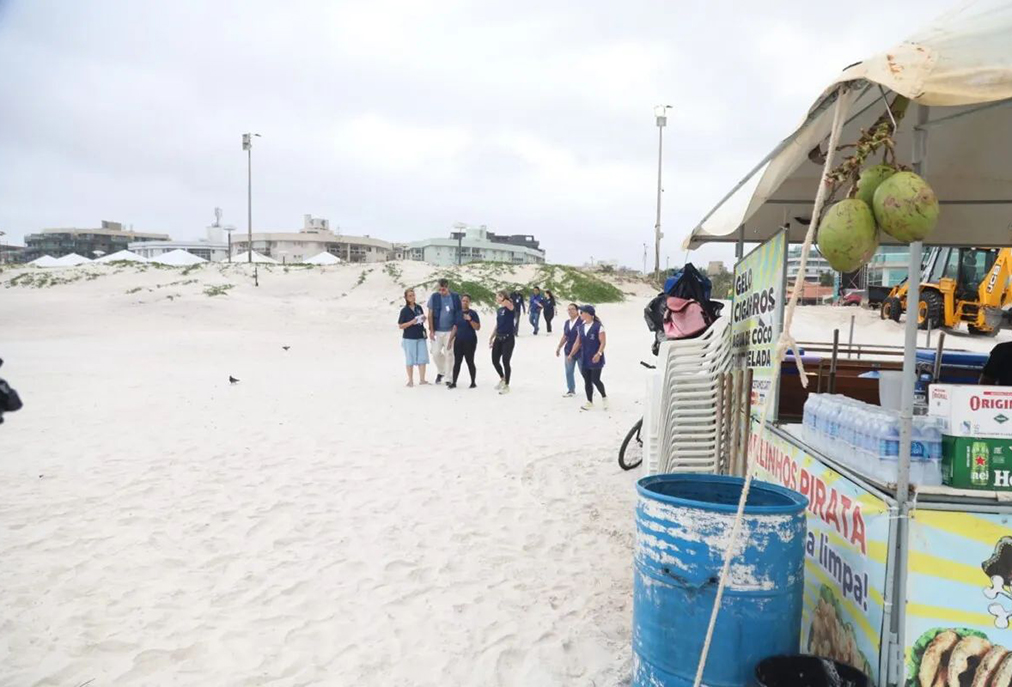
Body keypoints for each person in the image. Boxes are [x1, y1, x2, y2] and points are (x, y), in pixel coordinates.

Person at [569, 304, 607, 410]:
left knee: (596, 379)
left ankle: (604, 397)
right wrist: (571, 354)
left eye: (582, 312)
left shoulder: (598, 326)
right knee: (587, 380)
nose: (580, 314)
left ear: (589, 314)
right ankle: (589, 401)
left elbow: (603, 342)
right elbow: (577, 342)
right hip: (585, 357)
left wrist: (599, 353)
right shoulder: (580, 327)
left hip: (596, 357)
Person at [427, 278, 462, 385]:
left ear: (447, 287)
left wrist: (455, 329)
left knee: (449, 354)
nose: (441, 292)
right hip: (437, 330)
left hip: (450, 331)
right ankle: (442, 371)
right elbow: (430, 314)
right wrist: (431, 330)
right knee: (435, 353)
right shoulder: (434, 297)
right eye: (440, 290)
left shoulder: (455, 297)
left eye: (443, 290)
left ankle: (447, 377)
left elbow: (458, 313)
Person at [397, 288, 430, 387]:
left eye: (413, 295)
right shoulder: (404, 310)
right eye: (410, 296)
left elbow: (421, 318)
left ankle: (422, 379)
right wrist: (411, 322)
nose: (412, 297)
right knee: (410, 359)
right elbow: (400, 325)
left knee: (422, 358)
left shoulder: (418, 307)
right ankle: (410, 380)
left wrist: (423, 319)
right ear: (406, 298)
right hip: (409, 337)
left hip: (420, 335)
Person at [448, 294, 481, 389]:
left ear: (469, 302)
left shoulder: (473, 313)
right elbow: (455, 327)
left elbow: (477, 327)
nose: (465, 302)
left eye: (467, 301)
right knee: (457, 361)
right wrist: (450, 340)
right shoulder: (457, 313)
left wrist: (470, 320)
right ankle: (454, 382)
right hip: (459, 340)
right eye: (463, 300)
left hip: (470, 341)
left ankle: (473, 382)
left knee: (470, 361)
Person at [490, 291, 516, 395]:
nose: (497, 298)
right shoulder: (499, 310)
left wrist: (504, 297)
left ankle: (507, 385)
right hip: (498, 337)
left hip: (508, 338)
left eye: (498, 297)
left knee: (506, 361)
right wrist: (492, 336)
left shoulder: (509, 307)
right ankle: (502, 378)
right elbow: (498, 324)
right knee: (495, 360)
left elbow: (509, 304)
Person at [555, 302, 582, 397]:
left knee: (584, 371)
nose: (570, 311)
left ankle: (590, 387)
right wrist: (559, 347)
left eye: (572, 309)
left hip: (581, 350)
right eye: (568, 309)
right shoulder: (567, 322)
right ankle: (571, 389)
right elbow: (565, 336)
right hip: (568, 349)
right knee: (569, 371)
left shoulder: (581, 321)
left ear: (577, 310)